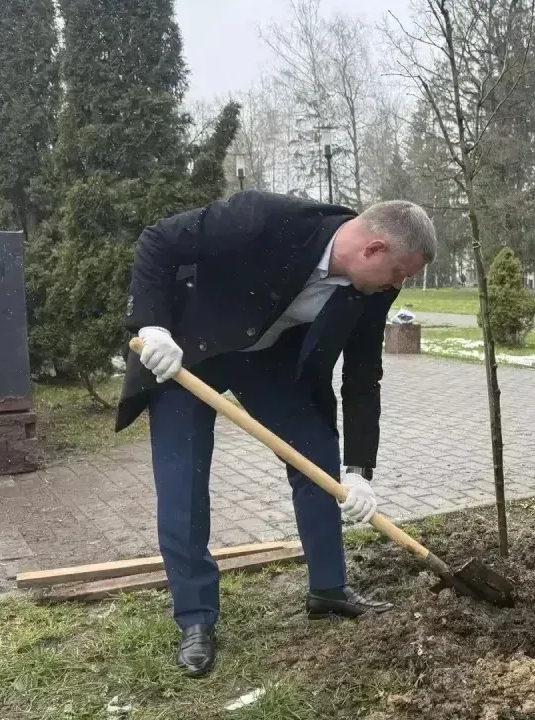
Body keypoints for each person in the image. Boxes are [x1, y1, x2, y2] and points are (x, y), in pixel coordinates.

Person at [116, 191, 436, 676]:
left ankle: (328, 588)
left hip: (268, 361)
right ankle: (196, 619)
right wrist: (152, 327)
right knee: (182, 481)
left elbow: (362, 375)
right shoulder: (264, 218)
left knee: (317, 453)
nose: (398, 286)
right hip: (189, 349)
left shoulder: (374, 288)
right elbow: (157, 241)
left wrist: (358, 471)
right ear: (374, 249)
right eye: (399, 273)